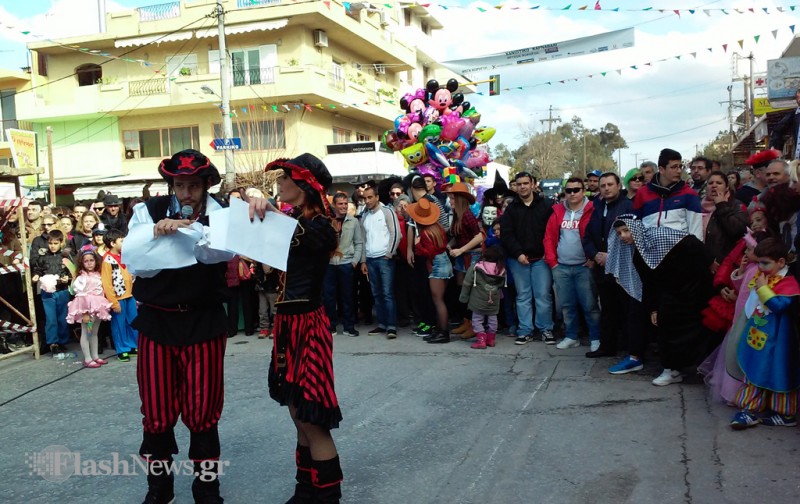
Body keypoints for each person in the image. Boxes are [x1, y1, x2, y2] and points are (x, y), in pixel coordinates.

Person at [126, 149, 268, 504]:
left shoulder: (221, 213)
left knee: (203, 410)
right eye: (180, 185)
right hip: (157, 319)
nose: (186, 193)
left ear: (207, 185)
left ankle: (207, 490)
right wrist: (158, 236)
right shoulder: (148, 212)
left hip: (203, 320)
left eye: (193, 185)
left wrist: (191, 231)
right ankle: (159, 489)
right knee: (156, 410)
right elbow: (139, 267)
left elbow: (216, 254)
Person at [264, 154, 343, 504]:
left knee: (311, 417)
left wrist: (267, 214)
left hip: (307, 325)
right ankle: (306, 490)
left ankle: (327, 497)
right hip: (286, 325)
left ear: (304, 185)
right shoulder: (295, 220)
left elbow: (306, 240)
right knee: (297, 414)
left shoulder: (321, 225)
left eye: (284, 178)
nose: (279, 184)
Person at [608, 215, 714, 386]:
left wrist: (710, 262)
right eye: (619, 233)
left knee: (699, 330)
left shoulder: (659, 235)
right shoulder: (636, 255)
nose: (623, 236)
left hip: (693, 286)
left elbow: (691, 242)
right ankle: (671, 370)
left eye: (626, 231)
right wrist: (653, 309)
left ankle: (702, 369)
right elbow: (648, 284)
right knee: (667, 331)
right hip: (669, 294)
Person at [729, 238, 800, 429]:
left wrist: (763, 289)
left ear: (781, 262)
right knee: (754, 368)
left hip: (779, 339)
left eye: (765, 263)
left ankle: (784, 414)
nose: (760, 267)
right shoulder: (764, 277)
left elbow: (779, 305)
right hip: (758, 334)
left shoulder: (789, 283)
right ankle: (749, 409)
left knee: (779, 372)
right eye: (759, 262)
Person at [543, 177, 601, 352]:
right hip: (561, 266)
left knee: (590, 305)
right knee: (567, 305)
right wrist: (553, 262)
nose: (573, 193)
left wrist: (593, 259)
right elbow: (549, 237)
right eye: (569, 190)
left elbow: (598, 236)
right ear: (565, 193)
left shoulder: (592, 209)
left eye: (576, 189)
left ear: (583, 191)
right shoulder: (558, 211)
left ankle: (596, 337)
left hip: (584, 266)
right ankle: (571, 336)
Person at [500, 171, 556, 345]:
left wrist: (549, 252)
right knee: (523, 296)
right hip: (518, 260)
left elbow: (553, 231)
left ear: (533, 184)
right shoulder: (511, 209)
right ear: (515, 186)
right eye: (519, 184)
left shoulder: (547, 205)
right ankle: (525, 330)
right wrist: (518, 254)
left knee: (543, 295)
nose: (523, 187)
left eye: (526, 183)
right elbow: (507, 235)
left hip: (541, 258)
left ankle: (546, 329)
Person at [407, 197, 452, 344]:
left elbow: (429, 252)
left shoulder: (426, 233)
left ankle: (444, 332)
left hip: (437, 265)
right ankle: (440, 329)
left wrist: (418, 246)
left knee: (438, 300)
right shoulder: (437, 227)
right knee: (440, 299)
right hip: (444, 262)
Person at [633, 148, 703, 240]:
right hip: (649, 252)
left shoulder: (690, 194)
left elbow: (696, 232)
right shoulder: (642, 193)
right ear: (661, 169)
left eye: (680, 167)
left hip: (681, 251)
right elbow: (636, 225)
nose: (679, 171)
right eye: (674, 167)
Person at [360, 185, 401, 339]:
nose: (367, 200)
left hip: (384, 259)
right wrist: (364, 260)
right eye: (365, 198)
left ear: (377, 197)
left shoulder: (387, 211)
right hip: (371, 259)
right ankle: (383, 324)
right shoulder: (365, 215)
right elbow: (363, 240)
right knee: (376, 294)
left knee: (387, 293)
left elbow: (396, 233)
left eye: (370, 197)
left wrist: (389, 253)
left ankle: (391, 326)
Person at [445, 182, 483, 340]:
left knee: (470, 291)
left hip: (471, 256)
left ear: (460, 199)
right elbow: (457, 235)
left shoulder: (467, 214)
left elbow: (480, 236)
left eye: (452, 198)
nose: (450, 201)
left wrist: (461, 249)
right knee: (462, 290)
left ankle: (474, 325)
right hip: (461, 257)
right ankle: (467, 322)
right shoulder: (457, 214)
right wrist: (450, 244)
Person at [323, 192, 364, 338]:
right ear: (334, 205)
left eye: (346, 203)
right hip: (329, 264)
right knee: (329, 297)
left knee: (348, 297)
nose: (344, 206)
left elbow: (359, 242)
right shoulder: (327, 221)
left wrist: (355, 261)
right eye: (340, 204)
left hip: (346, 263)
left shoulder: (353, 221)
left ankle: (349, 326)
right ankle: (331, 325)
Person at [66, 247, 112, 368]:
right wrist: (85, 313)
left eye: (92, 260)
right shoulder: (81, 278)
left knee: (95, 333)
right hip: (87, 310)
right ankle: (87, 358)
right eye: (86, 261)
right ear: (82, 263)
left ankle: (95, 355)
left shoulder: (98, 275)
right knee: (86, 333)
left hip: (97, 307)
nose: (89, 263)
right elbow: (81, 295)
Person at [31, 229, 72, 354]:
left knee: (62, 318)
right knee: (51, 318)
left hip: (62, 291)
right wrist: (36, 275)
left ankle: (62, 341)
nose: (53, 246)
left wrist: (67, 278)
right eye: (50, 243)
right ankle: (52, 342)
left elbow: (72, 272)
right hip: (47, 292)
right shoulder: (43, 257)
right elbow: (38, 269)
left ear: (61, 243)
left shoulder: (66, 257)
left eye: (55, 243)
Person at [101, 228, 138, 362]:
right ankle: (122, 349)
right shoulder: (107, 260)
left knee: (133, 321)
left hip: (130, 295)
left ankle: (133, 344)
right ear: (112, 243)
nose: (125, 243)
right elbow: (107, 283)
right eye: (122, 241)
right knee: (119, 324)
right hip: (118, 297)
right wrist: (113, 301)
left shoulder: (125, 255)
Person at [459, 245, 506, 350]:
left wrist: (463, 298)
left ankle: (481, 340)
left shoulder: (476, 268)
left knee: (477, 319)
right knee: (493, 319)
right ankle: (491, 339)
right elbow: (501, 286)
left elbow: (467, 283)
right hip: (493, 300)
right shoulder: (501, 269)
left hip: (477, 300)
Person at [702, 171, 748, 269]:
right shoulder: (699, 206)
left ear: (727, 187)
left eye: (719, 183)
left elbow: (737, 230)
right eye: (710, 183)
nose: (714, 186)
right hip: (703, 264)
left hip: (725, 265)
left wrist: (721, 205)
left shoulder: (736, 205)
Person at [769, 86, 800, 159]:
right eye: (798, 92)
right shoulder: (794, 114)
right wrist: (777, 147)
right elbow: (777, 130)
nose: (798, 95)